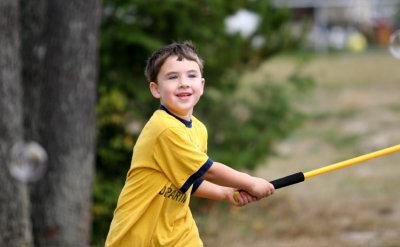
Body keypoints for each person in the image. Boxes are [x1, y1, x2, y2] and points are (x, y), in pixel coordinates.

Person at [105, 41, 275, 247]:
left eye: (191, 75)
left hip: (178, 234)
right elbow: (207, 170)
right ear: (156, 89)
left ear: (201, 86)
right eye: (173, 77)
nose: (184, 83)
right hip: (138, 238)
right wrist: (249, 182)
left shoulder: (198, 129)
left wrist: (225, 192)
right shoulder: (164, 128)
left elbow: (190, 180)